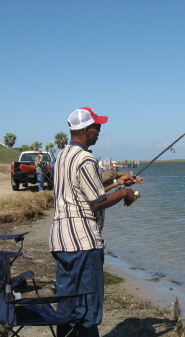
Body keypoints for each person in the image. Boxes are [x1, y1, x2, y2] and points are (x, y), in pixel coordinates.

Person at [49, 107, 143, 337]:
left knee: (67, 303)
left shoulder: (63, 155)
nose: (99, 130)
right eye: (96, 127)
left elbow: (85, 191)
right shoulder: (86, 158)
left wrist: (116, 182)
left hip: (61, 240)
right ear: (84, 129)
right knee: (89, 308)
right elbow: (95, 203)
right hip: (83, 242)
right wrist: (125, 193)